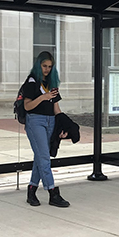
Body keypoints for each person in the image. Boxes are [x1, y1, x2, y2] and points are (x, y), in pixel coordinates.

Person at [22, 50, 70, 208]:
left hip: (50, 121)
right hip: (35, 120)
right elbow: (27, 106)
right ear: (38, 65)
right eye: (44, 66)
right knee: (44, 158)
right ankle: (52, 192)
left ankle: (32, 189)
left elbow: (56, 107)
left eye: (50, 66)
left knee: (40, 157)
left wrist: (63, 124)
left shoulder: (52, 82)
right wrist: (43, 97)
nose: (47, 69)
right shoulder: (32, 81)